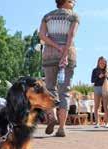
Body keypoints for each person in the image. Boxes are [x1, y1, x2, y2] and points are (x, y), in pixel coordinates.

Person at [39, 0, 79, 137]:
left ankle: (51, 115)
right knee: (65, 91)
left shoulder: (47, 16)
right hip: (68, 55)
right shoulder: (74, 16)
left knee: (49, 88)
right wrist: (64, 52)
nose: (75, 2)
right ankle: (61, 128)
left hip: (49, 55)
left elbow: (42, 36)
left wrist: (56, 46)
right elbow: (71, 35)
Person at [91, 57, 108, 128]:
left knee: (106, 106)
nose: (102, 64)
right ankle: (97, 123)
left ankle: (107, 123)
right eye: (101, 63)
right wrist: (99, 77)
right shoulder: (95, 70)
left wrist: (107, 76)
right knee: (96, 106)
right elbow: (92, 80)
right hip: (97, 88)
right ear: (98, 63)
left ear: (105, 63)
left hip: (105, 88)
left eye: (103, 63)